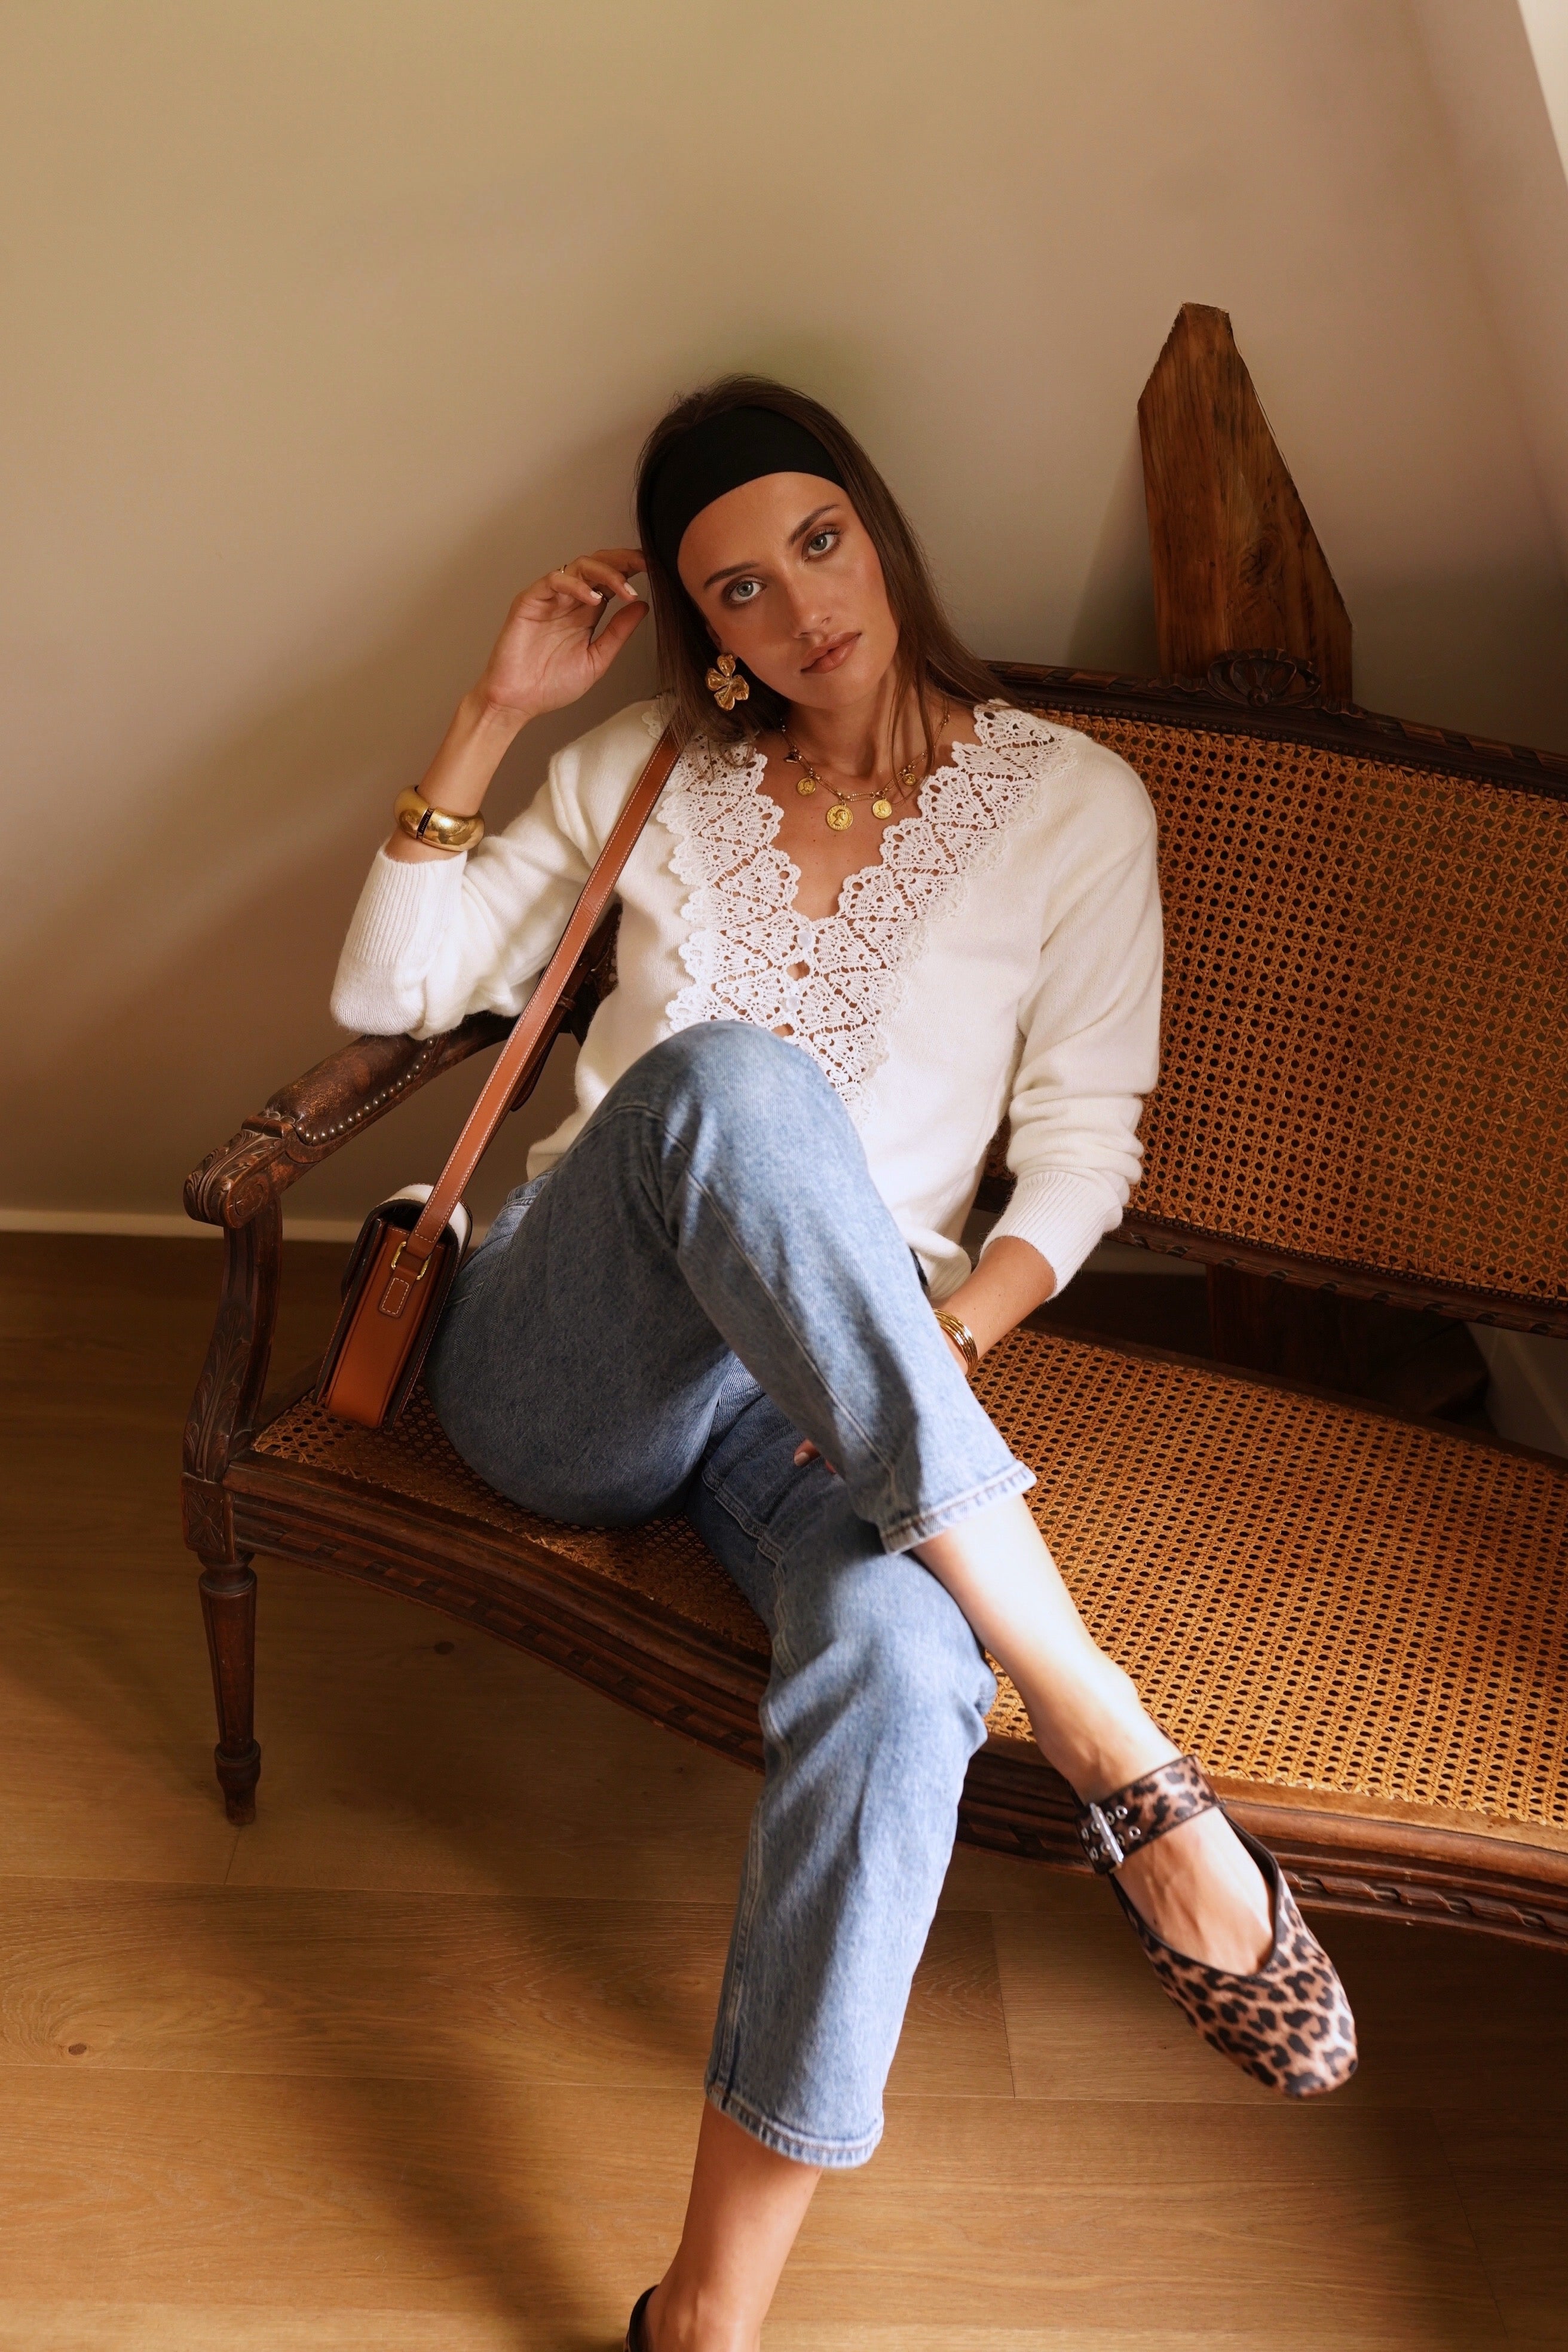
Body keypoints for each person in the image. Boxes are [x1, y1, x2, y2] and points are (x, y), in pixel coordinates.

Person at [332, 375, 1356, 2352]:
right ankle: (1109, 1732)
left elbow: (1083, 1151)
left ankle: (706, 2315)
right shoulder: (648, 767)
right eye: (738, 587)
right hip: (572, 1357)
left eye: (819, 543)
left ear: (878, 529)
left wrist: (935, 1340)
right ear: (702, 627)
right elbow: (392, 988)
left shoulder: (1072, 805)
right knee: (734, 1083)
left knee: (902, 1661)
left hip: (842, 1377)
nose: (801, 608)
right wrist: (493, 710)